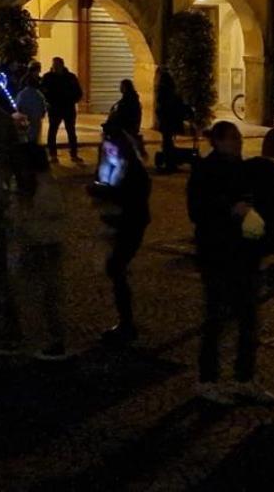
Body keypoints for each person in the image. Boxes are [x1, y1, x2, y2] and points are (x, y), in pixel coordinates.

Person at [187, 120, 273, 405]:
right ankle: (207, 380)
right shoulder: (205, 171)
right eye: (233, 138)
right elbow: (197, 210)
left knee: (249, 319)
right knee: (216, 319)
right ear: (219, 141)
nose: (238, 142)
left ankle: (244, 378)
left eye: (238, 138)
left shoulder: (242, 168)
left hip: (244, 255)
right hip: (218, 255)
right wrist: (228, 208)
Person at [90, 119, 151, 344]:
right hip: (115, 220)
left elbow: (133, 198)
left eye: (111, 141)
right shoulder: (109, 157)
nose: (108, 147)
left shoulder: (134, 169)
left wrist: (105, 192)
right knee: (115, 268)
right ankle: (125, 321)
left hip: (130, 223)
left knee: (116, 267)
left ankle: (126, 324)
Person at [9, 145, 68, 360]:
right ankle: (39, 336)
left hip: (43, 246)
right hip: (34, 244)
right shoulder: (32, 185)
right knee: (36, 293)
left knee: (48, 293)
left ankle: (54, 339)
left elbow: (42, 219)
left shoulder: (43, 189)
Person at [42, 57, 83, 163]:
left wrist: (72, 100)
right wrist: (49, 102)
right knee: (53, 131)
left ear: (62, 65)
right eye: (54, 65)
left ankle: (73, 154)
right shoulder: (48, 77)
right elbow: (43, 91)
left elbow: (78, 92)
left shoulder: (70, 77)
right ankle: (53, 155)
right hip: (55, 108)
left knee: (71, 131)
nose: (55, 67)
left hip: (67, 108)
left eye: (57, 65)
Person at [154, 66, 187, 166]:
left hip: (167, 120)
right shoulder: (172, 91)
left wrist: (159, 116)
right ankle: (171, 161)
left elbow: (161, 106)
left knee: (167, 141)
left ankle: (170, 162)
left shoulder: (162, 91)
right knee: (168, 141)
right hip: (172, 120)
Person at [12, 68, 47, 147]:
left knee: (27, 133)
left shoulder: (22, 94)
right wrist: (42, 113)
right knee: (35, 133)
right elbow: (42, 104)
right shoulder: (38, 94)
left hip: (25, 116)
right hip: (35, 116)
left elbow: (18, 104)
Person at [109, 79, 144, 145]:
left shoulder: (128, 100)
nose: (120, 88)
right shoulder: (128, 99)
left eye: (121, 86)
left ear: (125, 87)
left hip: (127, 128)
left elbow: (123, 115)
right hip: (128, 127)